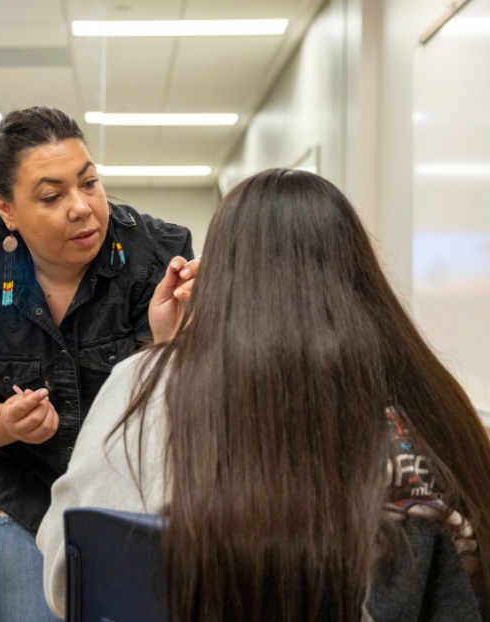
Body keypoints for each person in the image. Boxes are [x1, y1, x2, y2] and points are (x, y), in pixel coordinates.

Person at [37, 169, 490, 621]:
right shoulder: (429, 400)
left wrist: (165, 355)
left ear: (221, 274)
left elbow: (72, 570)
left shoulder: (146, 384)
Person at [0, 106, 196, 621]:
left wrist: (168, 343)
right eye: (52, 196)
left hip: (137, 503)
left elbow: (190, 400)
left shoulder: (158, 255)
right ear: (7, 209)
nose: (83, 208)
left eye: (89, 183)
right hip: (27, 503)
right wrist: (4, 423)